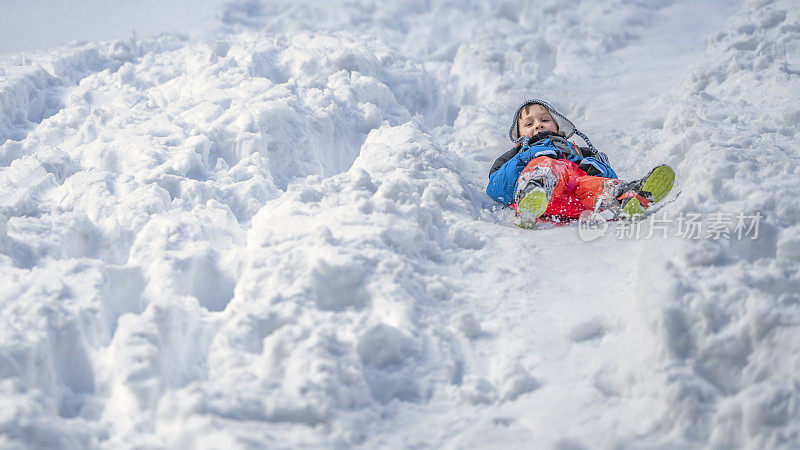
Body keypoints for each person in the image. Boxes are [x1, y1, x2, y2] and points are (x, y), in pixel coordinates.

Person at [486, 99, 673, 228]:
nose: (538, 125)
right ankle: (534, 191)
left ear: (558, 127)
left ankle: (627, 198)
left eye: (544, 120)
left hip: (574, 199)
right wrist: (525, 157)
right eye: (529, 124)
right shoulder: (518, 154)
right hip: (540, 198)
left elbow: (609, 174)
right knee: (545, 164)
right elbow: (496, 188)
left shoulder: (578, 151)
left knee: (590, 184)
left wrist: (595, 166)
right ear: (519, 136)